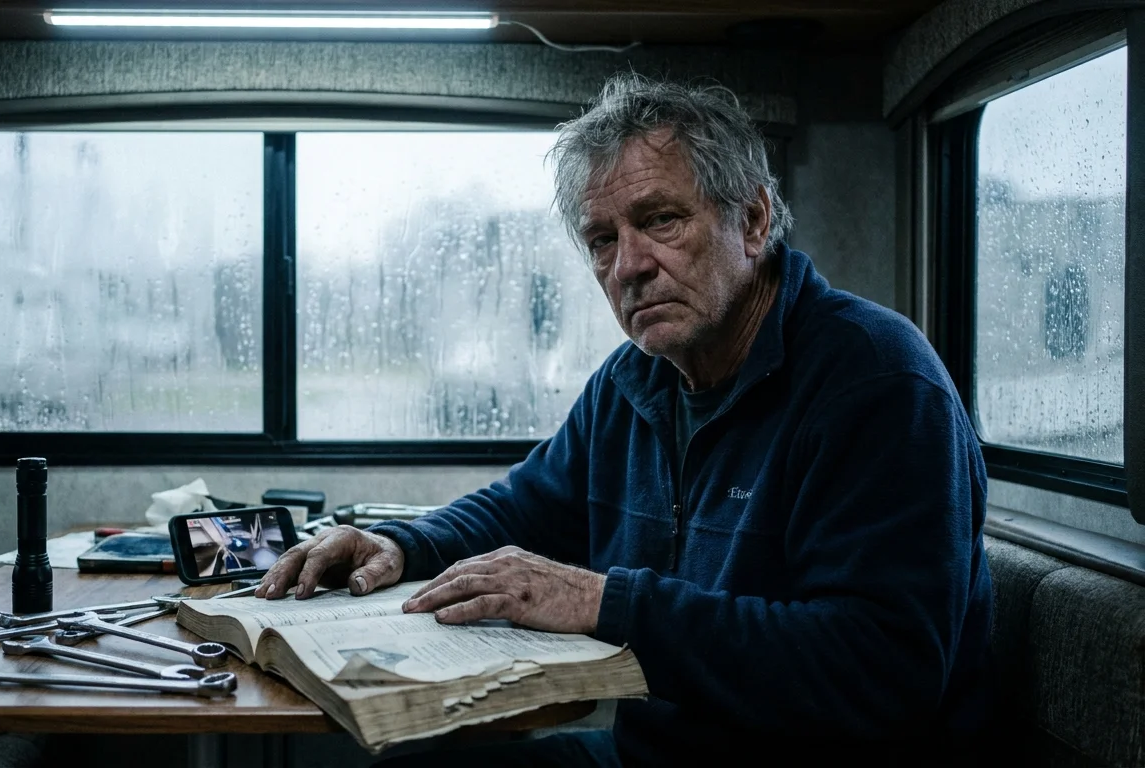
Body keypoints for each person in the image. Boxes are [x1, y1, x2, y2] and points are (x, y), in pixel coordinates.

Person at [256, 73, 994, 766]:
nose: (627, 266)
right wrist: (399, 544)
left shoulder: (875, 379)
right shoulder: (637, 378)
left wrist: (599, 600)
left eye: (661, 220)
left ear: (754, 220)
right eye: (602, 240)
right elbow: (527, 508)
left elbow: (879, 672)